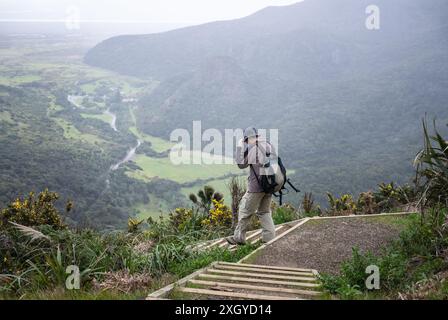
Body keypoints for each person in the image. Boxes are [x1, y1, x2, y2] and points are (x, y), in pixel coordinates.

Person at [226, 127, 276, 245]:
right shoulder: (268, 145)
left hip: (256, 187)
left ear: (248, 139)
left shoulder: (254, 149)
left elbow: (240, 164)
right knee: (264, 212)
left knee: (244, 210)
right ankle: (269, 238)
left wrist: (239, 146)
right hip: (269, 186)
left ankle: (239, 238)